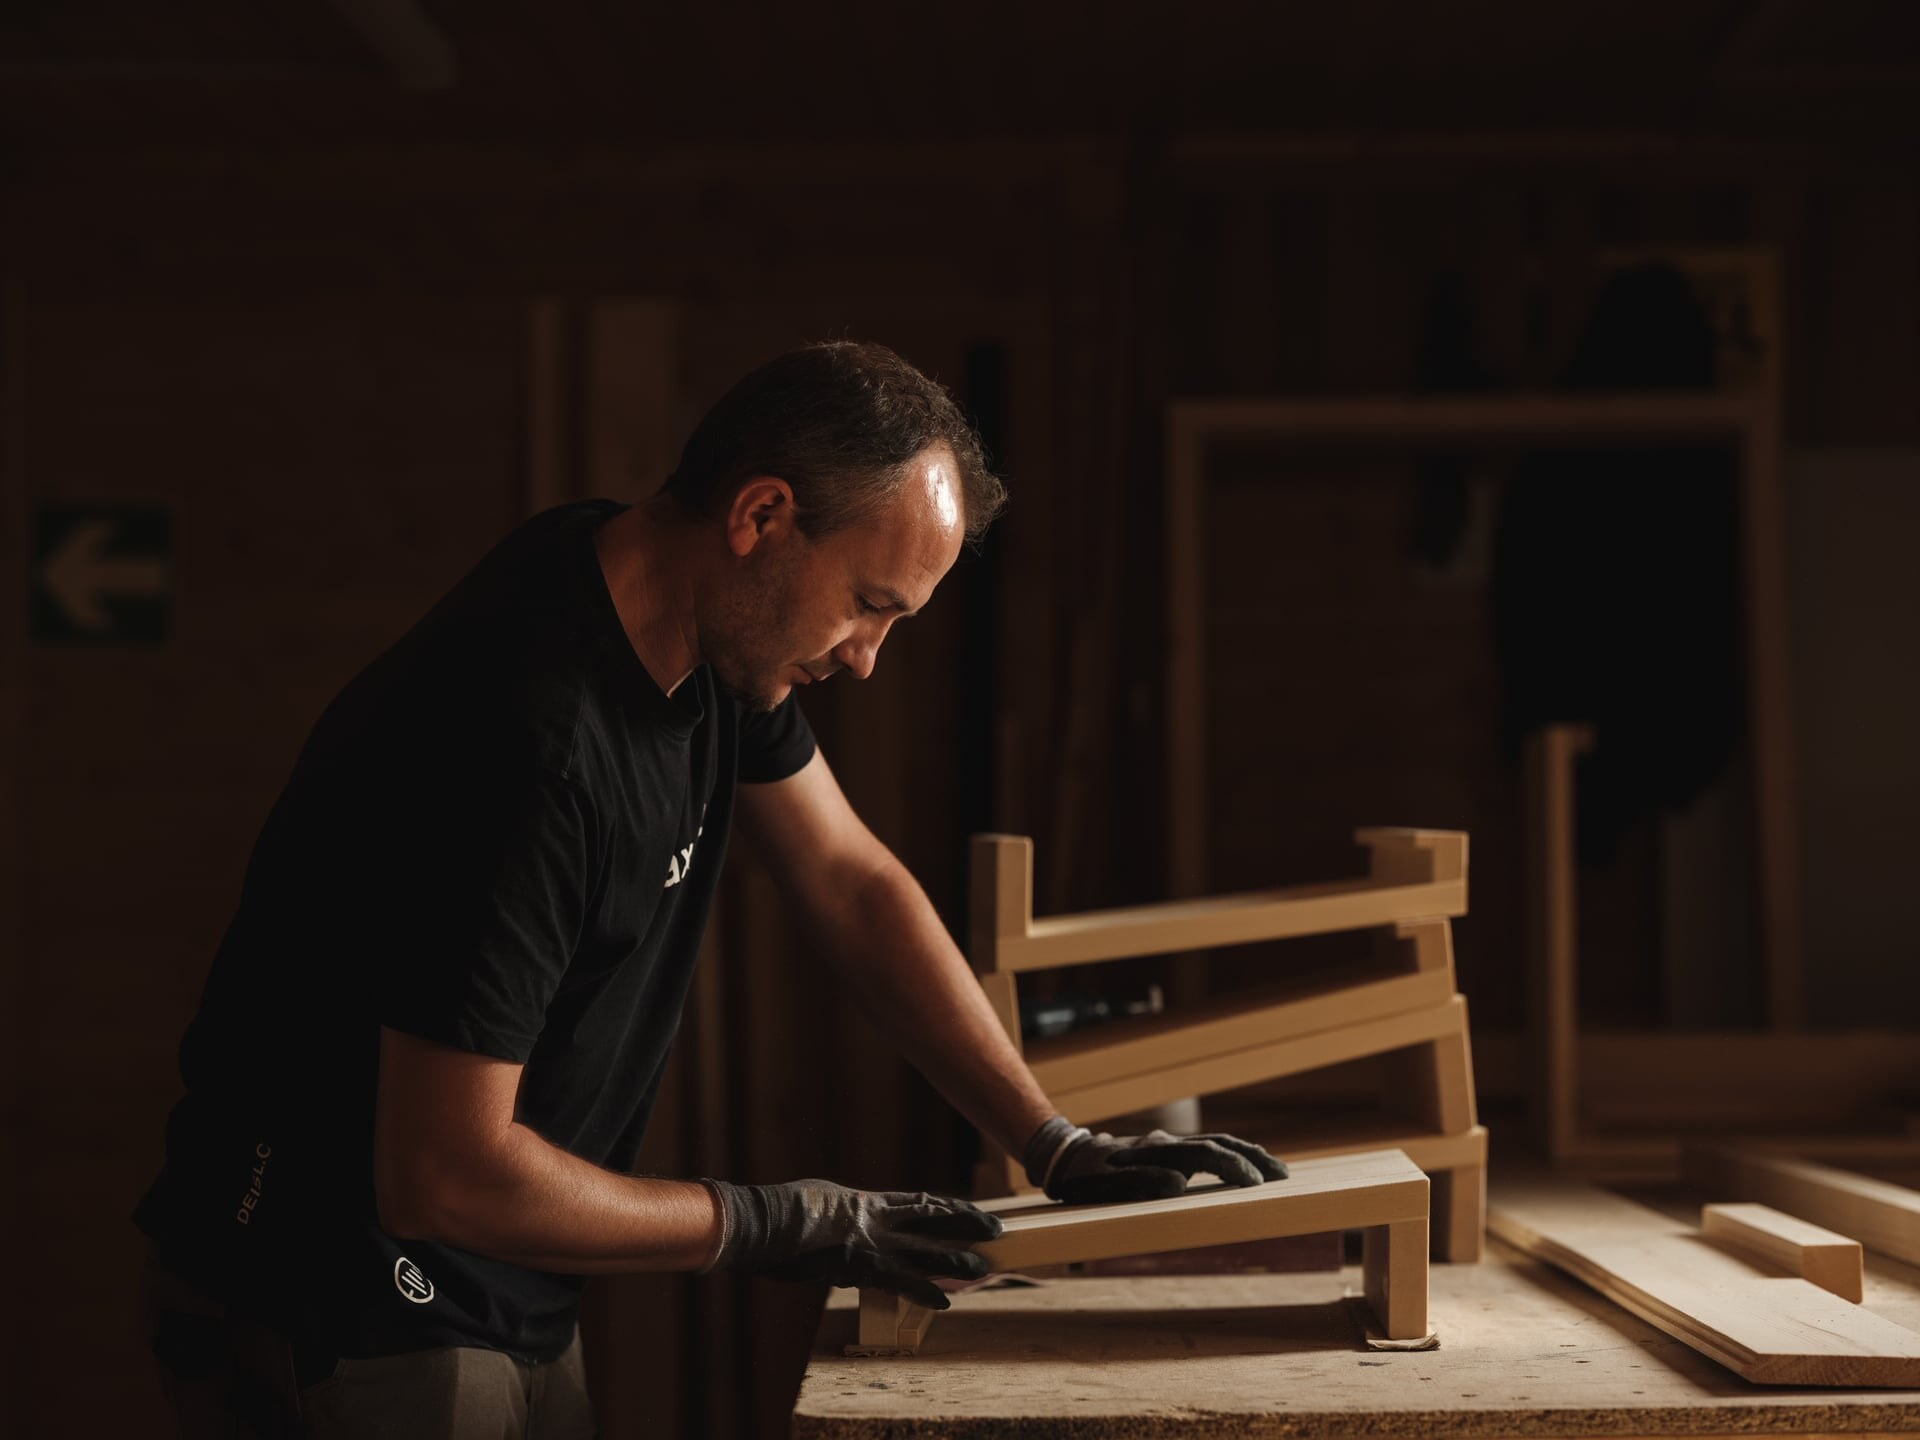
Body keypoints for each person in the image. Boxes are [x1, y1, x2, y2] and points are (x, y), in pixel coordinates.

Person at [135, 341, 1286, 1438]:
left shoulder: (695, 629)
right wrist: (775, 1221)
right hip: (340, 1292)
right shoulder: (528, 740)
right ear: (761, 516)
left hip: (501, 1276)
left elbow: (850, 880)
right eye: (869, 603)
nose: (866, 657)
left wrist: (1049, 1137)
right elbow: (442, 1173)